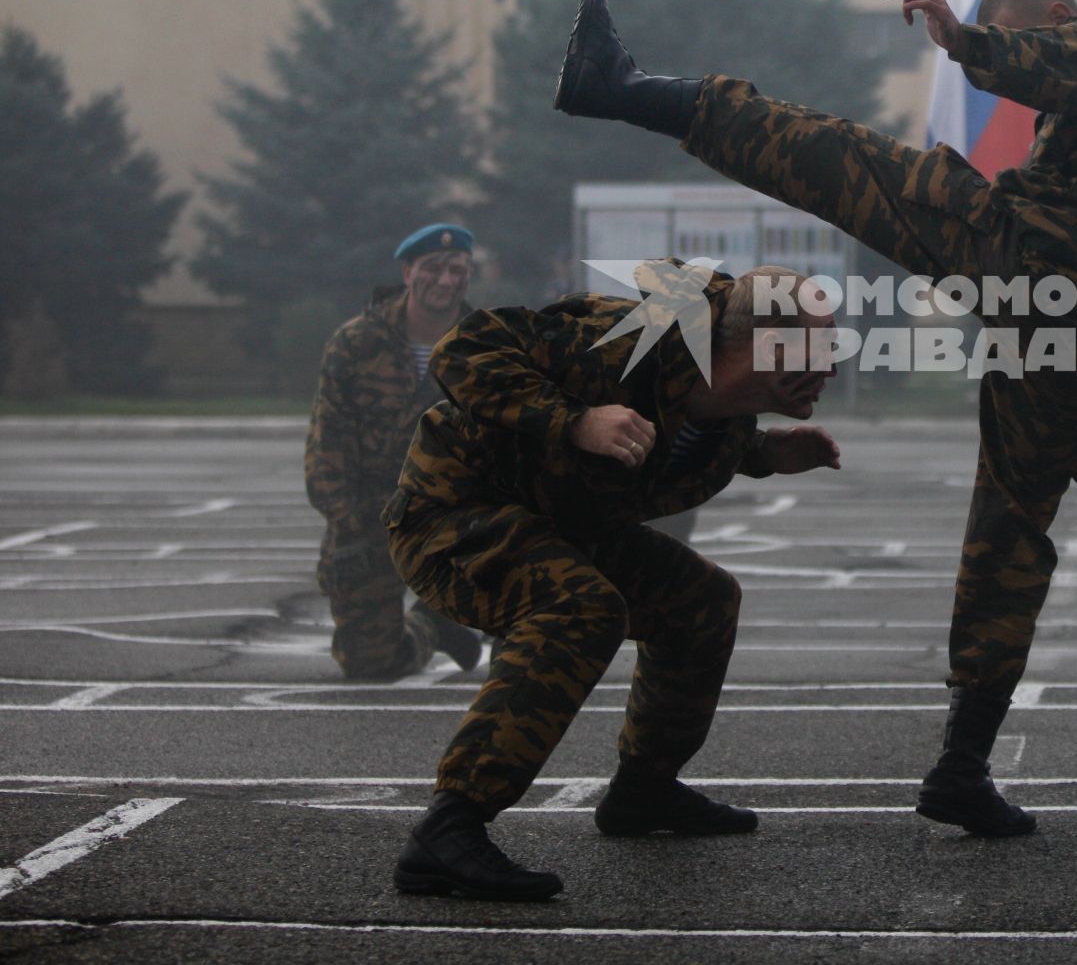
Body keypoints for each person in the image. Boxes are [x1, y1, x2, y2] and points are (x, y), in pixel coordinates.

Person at [552, 0, 1077, 837]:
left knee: (841, 161)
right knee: (1009, 535)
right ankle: (962, 769)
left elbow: (1065, 66)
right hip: (1075, 327)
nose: (1023, 75)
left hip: (1045, 265)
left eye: (1021, 37)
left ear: (1056, 19)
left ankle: (626, 89)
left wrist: (966, 40)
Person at [383, 261, 843, 901]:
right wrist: (573, 418)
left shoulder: (727, 413)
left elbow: (671, 442)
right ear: (764, 347)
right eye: (818, 348)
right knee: (581, 607)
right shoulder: (630, 341)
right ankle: (448, 826)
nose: (831, 367)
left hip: (568, 525)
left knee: (701, 600)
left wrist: (765, 456)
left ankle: (643, 791)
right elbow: (463, 348)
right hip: (454, 516)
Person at [304, 223, 484, 679]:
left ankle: (499, 623)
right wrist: (346, 528)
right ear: (407, 272)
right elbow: (327, 448)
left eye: (457, 271)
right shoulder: (356, 343)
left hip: (459, 520)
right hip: (374, 518)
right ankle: (431, 625)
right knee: (370, 665)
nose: (446, 281)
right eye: (433, 269)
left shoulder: (487, 346)